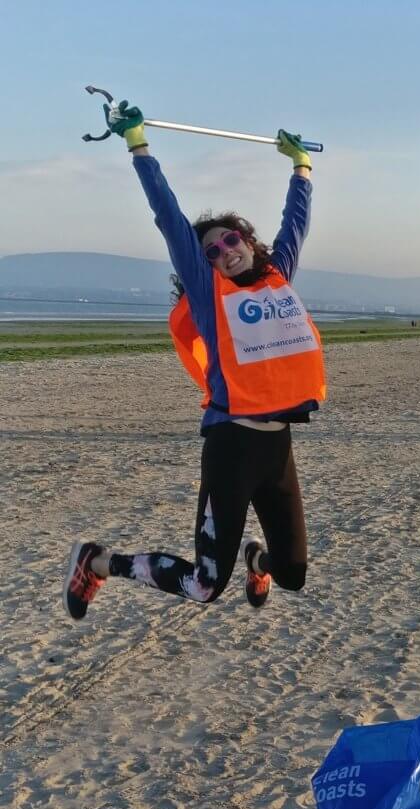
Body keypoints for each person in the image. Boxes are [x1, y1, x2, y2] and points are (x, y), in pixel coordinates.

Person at [63, 100, 325, 620]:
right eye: (212, 249)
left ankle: (257, 558)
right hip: (231, 446)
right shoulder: (210, 297)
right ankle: (97, 562)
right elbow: (168, 216)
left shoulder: (278, 279)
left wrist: (302, 167)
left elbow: (295, 224)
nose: (225, 250)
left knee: (292, 575)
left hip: (278, 450)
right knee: (205, 586)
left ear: (250, 243)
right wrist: (140, 147)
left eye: (232, 239)